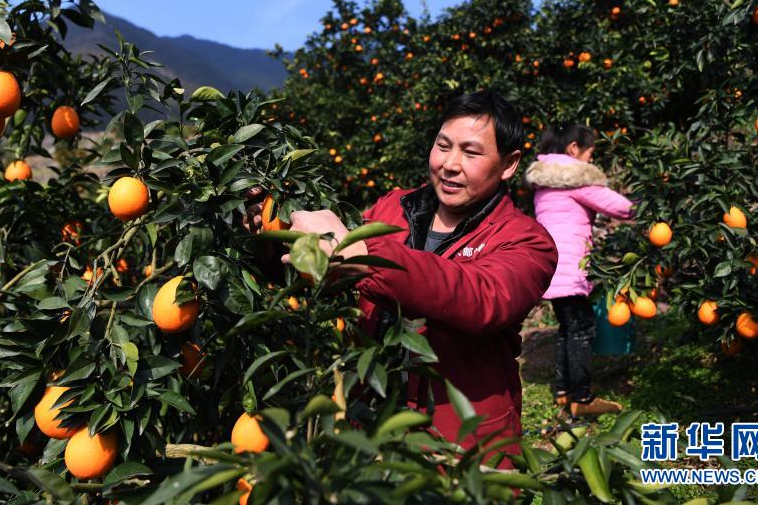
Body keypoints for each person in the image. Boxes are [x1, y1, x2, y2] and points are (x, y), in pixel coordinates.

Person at [247, 89, 558, 467]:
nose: (450, 164)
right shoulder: (391, 208)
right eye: (443, 146)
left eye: (471, 152)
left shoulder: (526, 240)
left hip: (462, 444)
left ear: (508, 164)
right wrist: (268, 234)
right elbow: (330, 277)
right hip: (371, 428)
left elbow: (481, 299)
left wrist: (363, 257)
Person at [524, 124, 634, 417]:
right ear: (574, 149)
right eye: (590, 153)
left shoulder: (545, 182)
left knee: (568, 328)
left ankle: (563, 391)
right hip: (570, 267)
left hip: (550, 266)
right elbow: (622, 208)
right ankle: (582, 399)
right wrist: (652, 207)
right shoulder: (575, 179)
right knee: (582, 329)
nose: (590, 160)